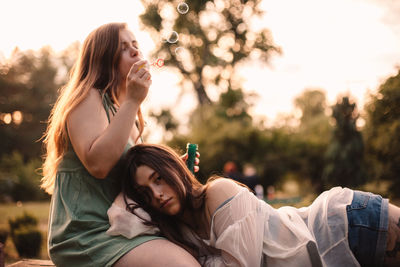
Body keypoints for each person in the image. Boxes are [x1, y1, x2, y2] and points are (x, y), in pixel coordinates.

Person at [41, 23, 200, 267]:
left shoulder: (127, 114)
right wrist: (133, 101)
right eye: (124, 48)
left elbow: (130, 181)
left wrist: (167, 171)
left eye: (136, 45)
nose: (136, 52)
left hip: (124, 228)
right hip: (87, 236)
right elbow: (99, 165)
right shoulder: (88, 97)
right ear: (103, 59)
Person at [108, 143, 400, 267]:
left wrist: (175, 173)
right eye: (145, 192)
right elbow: (119, 219)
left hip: (344, 225)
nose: (156, 194)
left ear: (175, 168)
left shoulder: (218, 192)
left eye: (160, 178)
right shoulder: (177, 232)